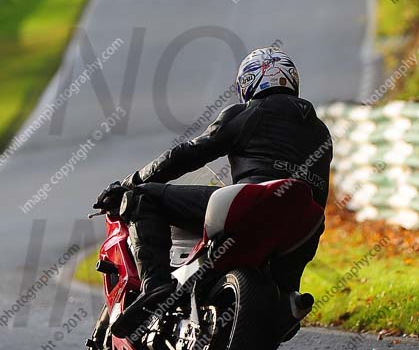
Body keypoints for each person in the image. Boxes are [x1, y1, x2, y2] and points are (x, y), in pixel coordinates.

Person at [94, 48, 333, 331]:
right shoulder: (321, 132)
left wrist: (130, 183)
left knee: (142, 197)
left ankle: (155, 287)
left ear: (250, 83)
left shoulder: (248, 113)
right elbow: (321, 193)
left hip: (251, 202)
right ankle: (280, 309)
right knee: (284, 304)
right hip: (304, 224)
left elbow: (187, 154)